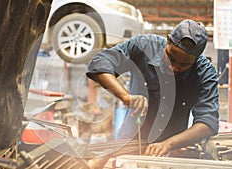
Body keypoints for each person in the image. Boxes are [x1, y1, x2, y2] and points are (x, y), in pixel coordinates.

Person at [86, 19, 219, 157]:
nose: (174, 68)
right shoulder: (143, 46)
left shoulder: (205, 73)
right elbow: (99, 63)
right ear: (168, 41)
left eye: (184, 65)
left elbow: (208, 123)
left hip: (170, 153)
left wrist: (168, 144)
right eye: (171, 58)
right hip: (128, 147)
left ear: (196, 59)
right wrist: (125, 96)